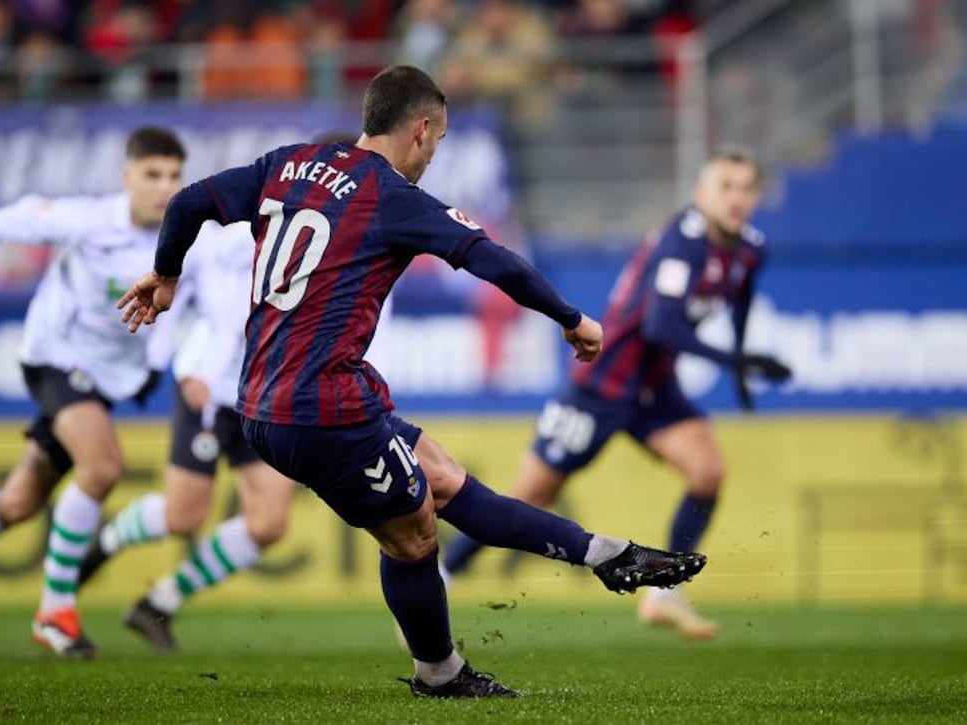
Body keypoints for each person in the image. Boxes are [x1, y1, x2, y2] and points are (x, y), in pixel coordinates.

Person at [115, 65, 707, 698]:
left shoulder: (288, 164)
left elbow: (187, 204)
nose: (434, 154)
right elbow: (493, 258)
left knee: (442, 476)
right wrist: (573, 320)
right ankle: (441, 674)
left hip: (264, 399)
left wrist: (165, 274)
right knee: (414, 534)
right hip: (322, 408)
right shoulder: (391, 197)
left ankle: (606, 556)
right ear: (421, 129)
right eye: (439, 140)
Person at [441, 145, 792, 641]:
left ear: (757, 196)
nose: (736, 198)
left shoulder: (749, 248)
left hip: (654, 389)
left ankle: (663, 594)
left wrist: (737, 371)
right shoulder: (681, 244)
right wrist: (738, 362)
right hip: (601, 383)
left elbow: (740, 296)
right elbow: (662, 326)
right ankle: (444, 573)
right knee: (529, 497)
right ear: (700, 194)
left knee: (707, 472)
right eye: (725, 187)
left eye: (745, 188)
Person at [0, 126, 186, 659]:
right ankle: (54, 611)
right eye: (152, 174)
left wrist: (157, 362)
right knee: (103, 466)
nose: (164, 187)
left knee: (19, 502)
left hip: (109, 379)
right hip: (55, 358)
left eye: (174, 176)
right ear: (126, 177)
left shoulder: (183, 236)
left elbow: (199, 303)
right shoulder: (89, 219)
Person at [76, 219, 298, 652]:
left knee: (269, 523)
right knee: (183, 517)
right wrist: (177, 367)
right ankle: (103, 545)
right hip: (209, 389)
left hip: (260, 396)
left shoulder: (333, 247)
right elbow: (214, 305)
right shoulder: (241, 239)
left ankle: (159, 603)